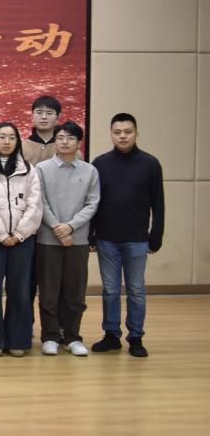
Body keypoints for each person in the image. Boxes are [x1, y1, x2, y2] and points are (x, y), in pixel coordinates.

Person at [90, 112, 163, 358]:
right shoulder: (100, 164)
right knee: (110, 290)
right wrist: (91, 234)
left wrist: (156, 235)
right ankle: (111, 335)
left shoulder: (150, 163)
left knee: (136, 290)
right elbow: (93, 202)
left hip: (138, 239)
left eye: (127, 132)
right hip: (106, 238)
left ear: (136, 133)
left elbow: (158, 204)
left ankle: (136, 337)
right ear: (111, 134)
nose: (122, 136)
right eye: (117, 132)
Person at [0, 122, 43, 358]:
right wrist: (2, 235)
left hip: (22, 241)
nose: (6, 141)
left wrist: (20, 234)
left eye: (12, 137)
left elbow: (35, 205)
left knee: (20, 291)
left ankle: (18, 339)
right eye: (2, 137)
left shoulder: (29, 170)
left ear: (17, 142)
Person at [35, 121, 99, 358]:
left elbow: (92, 203)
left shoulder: (90, 171)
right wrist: (57, 227)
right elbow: (40, 201)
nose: (64, 142)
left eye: (70, 138)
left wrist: (70, 227)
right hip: (48, 239)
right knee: (49, 292)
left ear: (78, 142)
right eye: (60, 137)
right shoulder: (41, 169)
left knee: (75, 292)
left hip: (78, 240)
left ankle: (72, 336)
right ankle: (50, 336)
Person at [22, 96, 63, 166]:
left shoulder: (68, 148)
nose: (44, 117)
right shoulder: (21, 148)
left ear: (58, 117)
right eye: (39, 112)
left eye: (49, 113)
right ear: (32, 116)